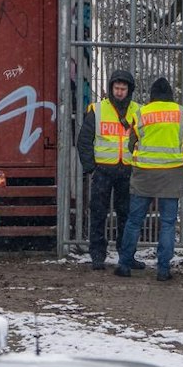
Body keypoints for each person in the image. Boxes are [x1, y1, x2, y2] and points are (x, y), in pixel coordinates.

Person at [117, 77, 183, 282]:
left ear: (152, 95)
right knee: (167, 223)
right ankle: (163, 269)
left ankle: (124, 264)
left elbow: (132, 143)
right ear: (170, 95)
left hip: (144, 175)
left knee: (134, 221)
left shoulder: (141, 113)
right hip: (172, 174)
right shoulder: (180, 112)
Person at [77, 69, 138, 271]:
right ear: (111, 88)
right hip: (103, 170)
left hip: (128, 170)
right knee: (98, 214)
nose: (119, 92)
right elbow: (84, 140)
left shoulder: (138, 111)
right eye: (116, 88)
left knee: (126, 215)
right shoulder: (98, 109)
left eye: (123, 88)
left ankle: (126, 255)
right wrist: (91, 168)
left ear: (129, 90)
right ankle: (97, 255)